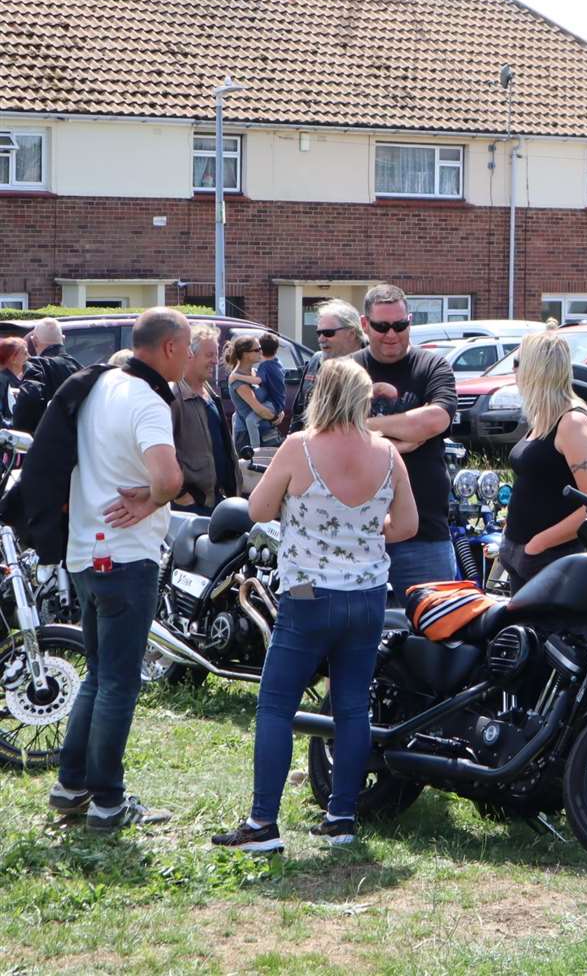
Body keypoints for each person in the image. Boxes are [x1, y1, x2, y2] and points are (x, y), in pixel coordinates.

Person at [211, 358, 417, 853]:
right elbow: (406, 526)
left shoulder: (298, 447)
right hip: (367, 594)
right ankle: (342, 817)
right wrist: (366, 530)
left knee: (277, 705)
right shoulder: (388, 454)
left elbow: (258, 510)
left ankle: (263, 823)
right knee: (351, 707)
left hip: (307, 592)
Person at [48, 308, 189, 832]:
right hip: (126, 555)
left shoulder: (102, 382)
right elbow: (169, 478)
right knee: (119, 682)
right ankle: (108, 800)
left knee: (100, 675)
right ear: (171, 347)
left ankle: (71, 785)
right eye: (191, 344)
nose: (195, 353)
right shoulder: (148, 400)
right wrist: (153, 502)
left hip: (86, 550)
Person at [356, 284, 459, 604]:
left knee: (435, 635)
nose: (392, 334)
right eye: (382, 326)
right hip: (355, 534)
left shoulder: (432, 366)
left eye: (400, 325)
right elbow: (323, 435)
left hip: (425, 534)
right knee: (353, 639)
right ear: (364, 324)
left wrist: (364, 428)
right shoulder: (344, 371)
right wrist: (399, 442)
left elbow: (434, 421)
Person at [499, 332, 587, 592]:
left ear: (536, 368)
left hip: (550, 560)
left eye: (518, 362)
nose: (514, 370)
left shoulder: (571, 421)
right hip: (521, 556)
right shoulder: (543, 415)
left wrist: (539, 544)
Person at [171, 326, 238, 511]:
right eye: (209, 355)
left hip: (217, 499)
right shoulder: (174, 395)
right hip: (193, 505)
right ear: (190, 355)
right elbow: (163, 450)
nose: (216, 361)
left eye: (216, 355)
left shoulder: (208, 391)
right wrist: (181, 494)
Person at [292, 300, 368, 429]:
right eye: (319, 333)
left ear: (351, 333)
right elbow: (299, 413)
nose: (321, 339)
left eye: (328, 333)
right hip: (316, 444)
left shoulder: (375, 362)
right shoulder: (316, 361)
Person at [12, 317, 82, 432]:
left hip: (45, 442)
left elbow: (29, 398)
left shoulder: (37, 366)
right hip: (73, 442)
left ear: (34, 342)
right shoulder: (79, 368)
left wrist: (22, 433)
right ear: (63, 339)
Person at [225, 335, 279, 451]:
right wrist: (275, 418)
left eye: (261, 348)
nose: (261, 352)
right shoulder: (238, 380)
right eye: (257, 350)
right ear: (245, 354)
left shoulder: (255, 372)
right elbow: (258, 409)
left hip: (267, 434)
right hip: (248, 437)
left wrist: (280, 411)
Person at [257, 334, 287, 436]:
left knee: (251, 420)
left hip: (271, 404)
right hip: (279, 404)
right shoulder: (278, 363)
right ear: (276, 349)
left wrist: (237, 377)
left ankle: (254, 448)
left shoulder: (264, 367)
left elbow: (258, 381)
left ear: (260, 350)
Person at [0, 337, 26, 426]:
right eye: (25, 354)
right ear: (13, 358)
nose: (29, 357)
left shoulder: (16, 380)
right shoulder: (2, 380)